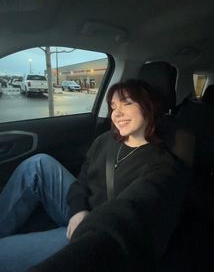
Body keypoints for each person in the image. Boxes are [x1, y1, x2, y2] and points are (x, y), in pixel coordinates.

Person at [0, 79, 192, 272]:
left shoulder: (161, 164)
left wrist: (87, 226)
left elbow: (130, 210)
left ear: (148, 106)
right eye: (113, 106)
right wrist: (78, 209)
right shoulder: (105, 140)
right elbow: (82, 179)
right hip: (80, 210)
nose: (117, 113)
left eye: (127, 103)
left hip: (99, 231)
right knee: (39, 163)